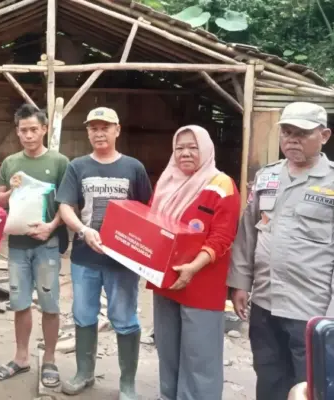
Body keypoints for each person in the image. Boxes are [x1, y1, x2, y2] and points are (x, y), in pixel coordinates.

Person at [228, 102, 334, 400]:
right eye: (287, 132)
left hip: (311, 308)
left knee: (310, 387)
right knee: (269, 376)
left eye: (302, 133)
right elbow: (248, 231)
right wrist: (239, 282)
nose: (292, 139)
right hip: (265, 302)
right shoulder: (267, 176)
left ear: (324, 135)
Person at [56, 107, 152, 399]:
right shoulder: (78, 166)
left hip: (122, 262)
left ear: (117, 130)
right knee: (83, 316)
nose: (99, 133)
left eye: (105, 127)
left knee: (124, 318)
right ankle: (84, 373)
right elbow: (65, 206)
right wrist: (83, 231)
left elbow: (147, 212)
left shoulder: (133, 167)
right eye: (93, 128)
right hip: (85, 257)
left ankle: (127, 384)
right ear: (87, 132)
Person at [147, 125, 240, 400]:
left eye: (193, 147)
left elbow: (222, 236)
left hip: (202, 285)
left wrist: (194, 267)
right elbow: (151, 225)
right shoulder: (166, 183)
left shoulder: (222, 185)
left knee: (200, 356)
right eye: (179, 147)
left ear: (207, 149)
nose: (185, 153)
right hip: (166, 281)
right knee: (168, 350)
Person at [0, 104, 69, 387]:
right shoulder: (10, 162)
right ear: (17, 132)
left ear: (44, 129)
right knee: (20, 303)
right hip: (18, 246)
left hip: (47, 244)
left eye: (34, 129)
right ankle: (21, 357)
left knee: (50, 304)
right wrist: (12, 190)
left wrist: (51, 226)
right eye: (23, 130)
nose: (28, 135)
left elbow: (69, 204)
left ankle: (49, 360)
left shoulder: (60, 162)